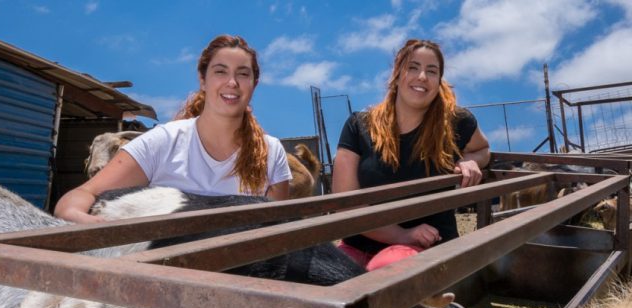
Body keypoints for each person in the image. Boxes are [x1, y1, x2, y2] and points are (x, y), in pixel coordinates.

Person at [55, 35, 291, 224]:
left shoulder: (271, 152)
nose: (232, 82)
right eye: (220, 71)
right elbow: (81, 196)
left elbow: (274, 233)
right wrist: (90, 223)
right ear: (203, 79)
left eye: (243, 74)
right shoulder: (163, 142)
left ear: (254, 84)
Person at [332, 38, 490, 271]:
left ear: (438, 81)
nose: (422, 77)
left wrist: (470, 161)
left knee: (385, 270)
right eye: (413, 67)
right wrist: (402, 235)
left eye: (432, 71)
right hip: (359, 245)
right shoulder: (360, 125)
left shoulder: (455, 123)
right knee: (315, 277)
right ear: (397, 74)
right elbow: (345, 205)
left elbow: (483, 149)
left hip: (424, 247)